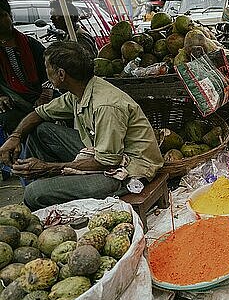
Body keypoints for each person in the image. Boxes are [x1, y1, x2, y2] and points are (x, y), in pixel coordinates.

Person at [0, 41, 164, 210]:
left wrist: (49, 168)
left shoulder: (106, 106)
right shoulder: (79, 91)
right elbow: (40, 113)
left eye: (47, 68)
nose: (46, 73)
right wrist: (15, 136)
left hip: (127, 170)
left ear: (61, 74)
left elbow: (108, 163)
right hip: (102, 153)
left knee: (34, 193)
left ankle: (48, 190)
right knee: (41, 130)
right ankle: (52, 185)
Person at [0, 0, 49, 135]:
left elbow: (50, 72)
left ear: (10, 16)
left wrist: (47, 91)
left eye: (2, 16)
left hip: (39, 96)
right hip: (12, 102)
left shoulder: (31, 44)